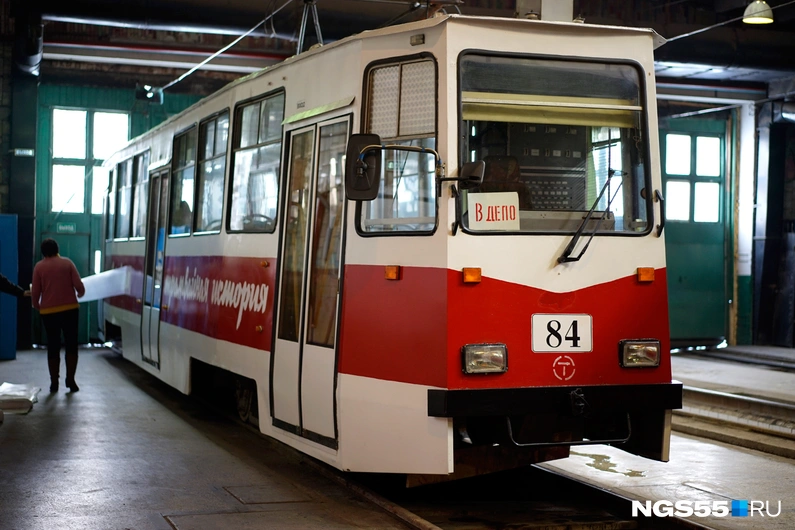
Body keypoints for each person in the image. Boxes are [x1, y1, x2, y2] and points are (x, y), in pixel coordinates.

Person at [31, 238, 85, 393]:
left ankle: (54, 382)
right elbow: (79, 285)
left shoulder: (39, 267)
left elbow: (36, 291)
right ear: (57, 249)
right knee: (71, 344)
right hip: (70, 310)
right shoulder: (67, 263)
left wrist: (37, 305)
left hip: (49, 312)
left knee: (53, 345)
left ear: (43, 252)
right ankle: (71, 380)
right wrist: (80, 293)